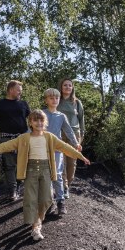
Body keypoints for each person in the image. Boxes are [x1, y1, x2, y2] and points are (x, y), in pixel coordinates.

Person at [0, 110, 90, 241]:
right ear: (30, 122)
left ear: (45, 122)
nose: (39, 123)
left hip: (46, 170)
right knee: (30, 199)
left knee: (46, 199)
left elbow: (66, 147)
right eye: (35, 120)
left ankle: (38, 219)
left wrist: (81, 157)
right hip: (30, 170)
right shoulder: (23, 138)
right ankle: (36, 227)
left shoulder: (50, 137)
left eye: (42, 120)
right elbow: (6, 146)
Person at [0, 80, 30, 201]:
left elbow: (32, 120)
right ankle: (12, 191)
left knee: (22, 164)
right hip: (6, 138)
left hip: (23, 138)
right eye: (18, 90)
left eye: (21, 90)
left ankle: (19, 186)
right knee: (9, 166)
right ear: (10, 90)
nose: (20, 92)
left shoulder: (23, 104)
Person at [42, 88, 81, 216]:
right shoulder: (41, 114)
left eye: (57, 98)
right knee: (46, 176)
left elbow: (69, 131)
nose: (54, 100)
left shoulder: (61, 116)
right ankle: (49, 202)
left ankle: (60, 202)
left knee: (57, 175)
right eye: (51, 98)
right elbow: (31, 130)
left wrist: (75, 144)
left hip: (57, 150)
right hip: (43, 150)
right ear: (46, 100)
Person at [58, 78, 85, 199]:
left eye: (70, 85)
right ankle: (64, 187)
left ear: (72, 87)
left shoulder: (77, 102)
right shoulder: (56, 100)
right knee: (60, 161)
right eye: (65, 85)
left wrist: (82, 136)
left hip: (74, 134)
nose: (67, 87)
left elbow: (81, 120)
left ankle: (68, 184)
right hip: (59, 134)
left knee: (72, 162)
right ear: (61, 87)